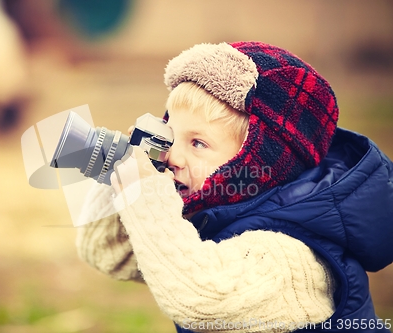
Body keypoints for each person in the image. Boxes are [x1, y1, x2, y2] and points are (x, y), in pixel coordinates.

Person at [76, 41, 393, 333]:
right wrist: (125, 168)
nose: (172, 156)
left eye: (198, 142)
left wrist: (145, 192)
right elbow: (107, 253)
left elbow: (201, 298)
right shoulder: (215, 215)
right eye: (170, 136)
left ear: (255, 162)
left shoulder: (291, 255)